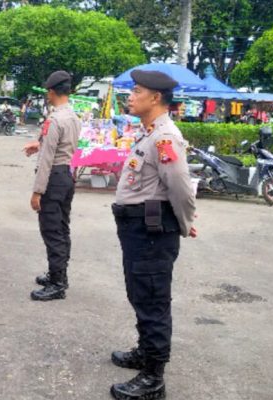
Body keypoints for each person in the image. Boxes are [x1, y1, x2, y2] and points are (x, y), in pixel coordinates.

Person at [108, 70, 197, 400]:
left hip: (151, 230)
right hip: (138, 228)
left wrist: (184, 223)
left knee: (153, 301)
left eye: (137, 90)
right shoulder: (149, 134)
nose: (130, 96)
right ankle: (145, 354)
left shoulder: (165, 138)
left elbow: (181, 189)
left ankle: (153, 379)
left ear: (155, 98)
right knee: (140, 294)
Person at [22, 70, 81, 302]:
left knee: (51, 230)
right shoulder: (73, 117)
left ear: (51, 91)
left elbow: (47, 158)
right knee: (62, 227)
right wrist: (38, 144)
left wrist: (37, 191)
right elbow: (61, 147)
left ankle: (57, 282)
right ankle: (59, 274)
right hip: (67, 174)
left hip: (54, 177)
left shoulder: (55, 119)